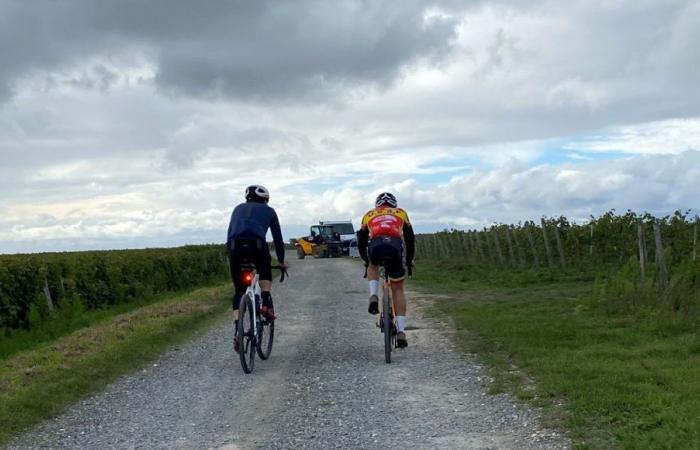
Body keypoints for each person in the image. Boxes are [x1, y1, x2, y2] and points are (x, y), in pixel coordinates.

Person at [227, 185, 287, 352]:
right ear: (266, 199)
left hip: (234, 248)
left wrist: (231, 254)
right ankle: (266, 301)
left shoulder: (237, 209)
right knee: (264, 272)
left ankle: (238, 331)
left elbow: (229, 232)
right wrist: (281, 261)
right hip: (257, 246)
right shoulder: (269, 211)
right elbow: (277, 238)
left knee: (239, 290)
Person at [357, 192, 415, 348]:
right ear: (394, 204)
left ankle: (374, 295)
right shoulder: (401, 213)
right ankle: (401, 331)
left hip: (376, 245)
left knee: (373, 264)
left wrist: (365, 260)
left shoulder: (369, 214)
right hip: (395, 246)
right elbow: (410, 239)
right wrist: (409, 261)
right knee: (398, 288)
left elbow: (361, 240)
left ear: (378, 205)